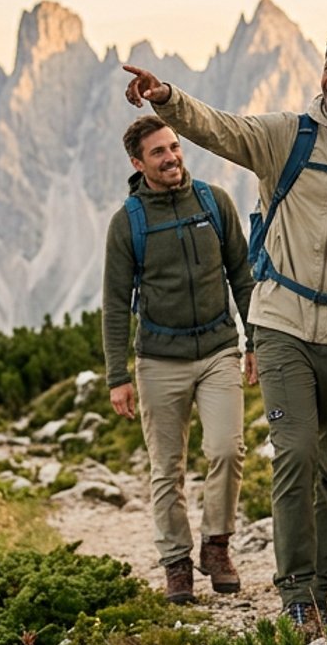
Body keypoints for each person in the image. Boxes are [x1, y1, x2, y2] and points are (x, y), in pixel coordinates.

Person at [123, 24, 327, 634]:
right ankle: (296, 593)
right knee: (296, 453)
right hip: (281, 321)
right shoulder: (287, 135)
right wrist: (167, 98)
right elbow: (220, 128)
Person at [102, 115, 256, 604]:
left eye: (173, 147)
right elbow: (114, 304)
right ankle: (176, 564)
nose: (171, 157)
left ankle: (216, 545)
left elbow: (242, 276)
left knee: (227, 449)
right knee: (166, 469)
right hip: (158, 360)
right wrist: (117, 376)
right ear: (138, 163)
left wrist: (254, 341)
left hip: (218, 350)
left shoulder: (214, 202)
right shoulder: (127, 222)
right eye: (158, 152)